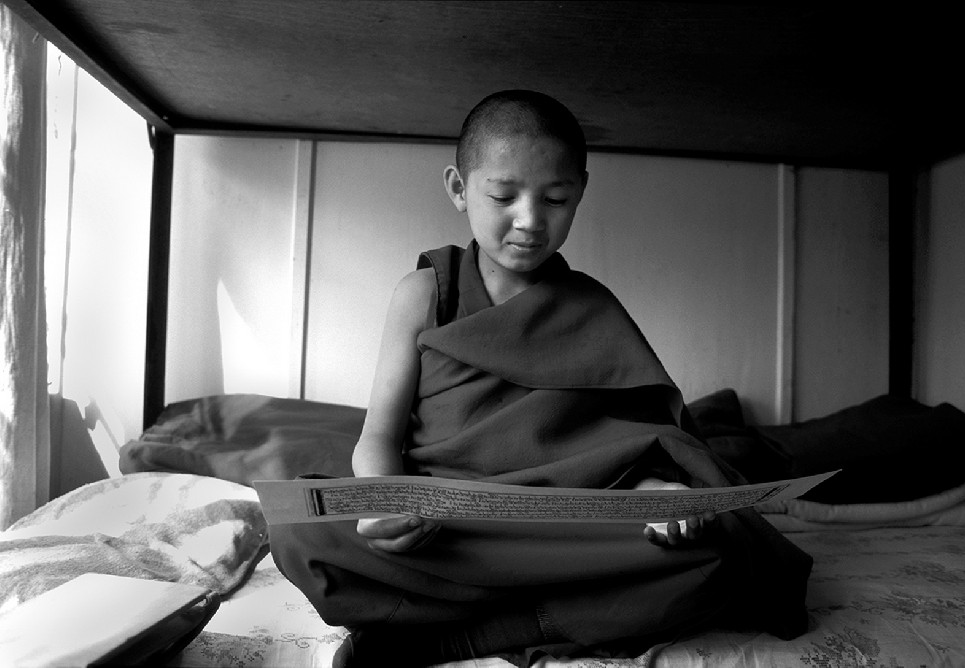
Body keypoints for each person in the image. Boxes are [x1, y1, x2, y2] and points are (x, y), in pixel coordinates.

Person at [269, 90, 812, 668]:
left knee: (714, 549)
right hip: (446, 523)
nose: (530, 221)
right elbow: (378, 437)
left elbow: (633, 442)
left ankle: (465, 636)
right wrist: (384, 504)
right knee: (298, 523)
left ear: (579, 192)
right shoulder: (425, 295)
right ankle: (543, 613)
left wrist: (658, 496)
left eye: (555, 198)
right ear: (458, 188)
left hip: (558, 525)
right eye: (503, 196)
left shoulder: (592, 308)